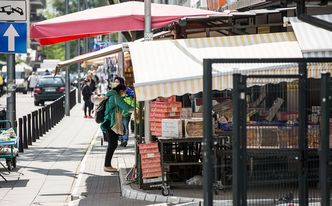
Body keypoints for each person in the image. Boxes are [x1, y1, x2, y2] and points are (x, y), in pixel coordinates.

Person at [101, 84, 132, 172]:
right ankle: (107, 165)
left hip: (109, 122)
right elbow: (125, 106)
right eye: (124, 92)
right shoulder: (115, 96)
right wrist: (136, 109)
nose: (124, 94)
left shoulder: (112, 94)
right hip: (110, 123)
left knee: (113, 144)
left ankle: (107, 165)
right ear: (121, 91)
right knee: (112, 144)